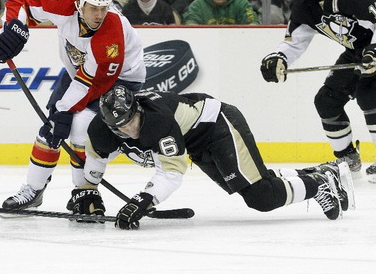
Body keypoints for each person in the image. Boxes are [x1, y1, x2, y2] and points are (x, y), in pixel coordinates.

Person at [70, 85, 353, 227]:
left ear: (137, 109)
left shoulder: (156, 121)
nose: (129, 130)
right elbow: (96, 157)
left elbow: (171, 171)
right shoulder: (101, 130)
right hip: (197, 141)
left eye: (131, 120)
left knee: (260, 197)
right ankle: (316, 175)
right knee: (253, 186)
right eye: (119, 126)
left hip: (217, 125)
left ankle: (320, 181)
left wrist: (144, 199)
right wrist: (88, 189)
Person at [0, 0, 146, 210]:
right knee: (51, 128)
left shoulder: (111, 33)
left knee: (81, 127)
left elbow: (93, 83)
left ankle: (82, 192)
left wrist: (64, 110)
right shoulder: (63, 2)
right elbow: (20, 4)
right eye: (93, 8)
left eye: (104, 8)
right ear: (79, 2)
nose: (99, 15)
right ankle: (33, 189)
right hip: (80, 73)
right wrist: (14, 29)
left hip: (120, 80)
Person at [260, 0, 376, 184]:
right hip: (356, 50)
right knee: (326, 101)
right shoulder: (305, 5)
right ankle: (348, 159)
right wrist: (279, 57)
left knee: (368, 92)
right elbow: (295, 41)